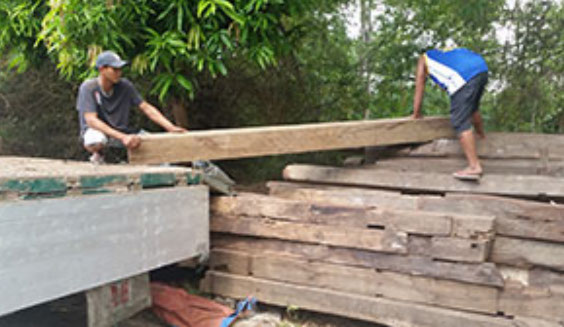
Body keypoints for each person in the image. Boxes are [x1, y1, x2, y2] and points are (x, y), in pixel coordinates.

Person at [76, 50, 186, 164]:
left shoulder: (125, 86)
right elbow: (91, 120)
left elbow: (146, 107)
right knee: (95, 139)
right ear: (102, 69)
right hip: (101, 133)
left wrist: (170, 127)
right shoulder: (88, 87)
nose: (119, 73)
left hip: (123, 132)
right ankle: (98, 155)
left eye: (120, 69)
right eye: (115, 69)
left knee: (154, 145)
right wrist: (122, 137)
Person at [411, 47, 488, 180]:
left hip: (463, 76)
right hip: (481, 68)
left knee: (459, 121)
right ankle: (481, 136)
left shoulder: (424, 59)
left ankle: (474, 166)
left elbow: (420, 84)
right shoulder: (445, 54)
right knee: (472, 107)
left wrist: (416, 113)